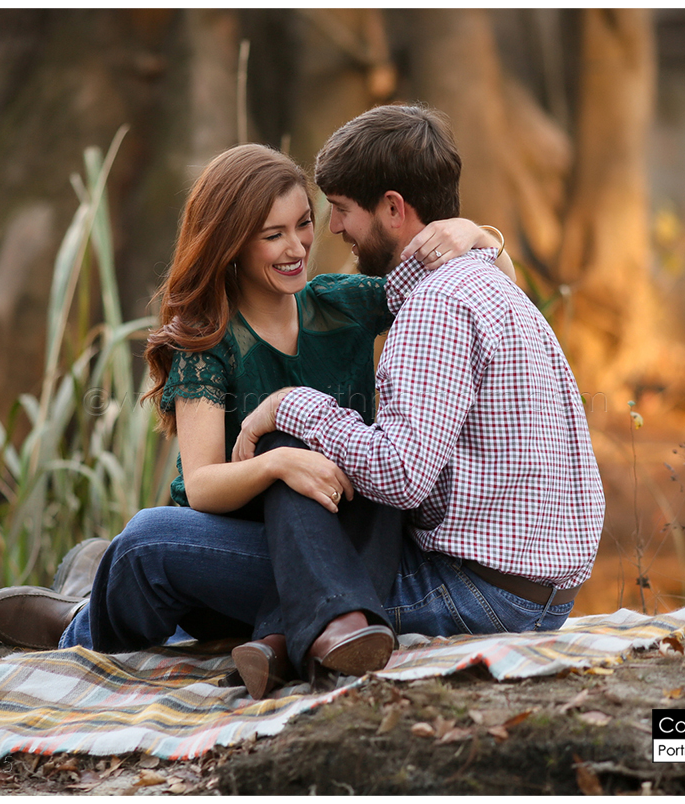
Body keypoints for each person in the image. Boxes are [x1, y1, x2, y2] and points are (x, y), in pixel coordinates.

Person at [0, 142, 513, 698]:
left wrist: (475, 236)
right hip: (246, 542)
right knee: (145, 538)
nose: (296, 247)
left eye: (303, 224)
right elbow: (203, 484)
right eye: (272, 234)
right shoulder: (209, 341)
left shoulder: (344, 304)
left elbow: (489, 287)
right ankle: (79, 625)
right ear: (231, 243)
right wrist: (277, 464)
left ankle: (130, 603)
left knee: (361, 462)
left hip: (348, 537)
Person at [233, 104, 605, 642]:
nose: (334, 227)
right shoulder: (488, 283)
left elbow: (401, 476)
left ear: (392, 208)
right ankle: (283, 641)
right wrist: (480, 234)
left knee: (188, 535)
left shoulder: (436, 306)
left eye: (342, 209)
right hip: (543, 594)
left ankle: (310, 630)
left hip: (478, 594)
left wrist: (287, 404)